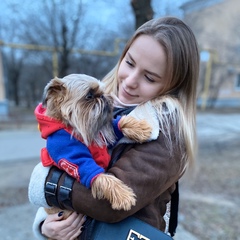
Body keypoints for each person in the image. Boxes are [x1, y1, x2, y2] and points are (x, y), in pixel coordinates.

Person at [28, 16, 199, 239]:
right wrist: (45, 225)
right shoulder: (98, 104)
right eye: (129, 63)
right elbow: (65, 163)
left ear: (173, 85)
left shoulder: (168, 132)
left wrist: (45, 181)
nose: (129, 81)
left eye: (149, 77)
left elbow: (110, 205)